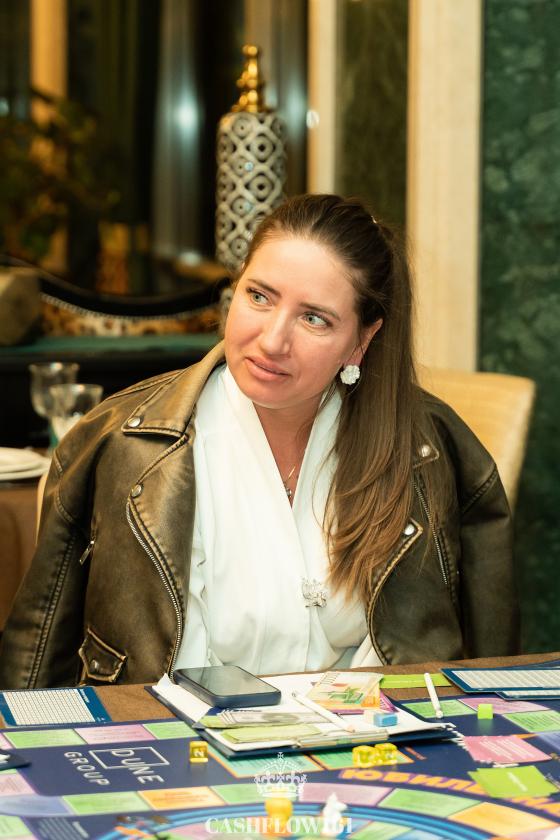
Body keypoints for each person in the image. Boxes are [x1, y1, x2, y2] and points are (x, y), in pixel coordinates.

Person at [0, 194, 518, 689]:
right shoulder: (123, 445)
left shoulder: (428, 449)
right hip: (176, 739)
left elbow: (492, 668)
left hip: (381, 742)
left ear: (362, 339)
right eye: (259, 297)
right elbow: (36, 662)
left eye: (314, 318)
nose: (272, 341)